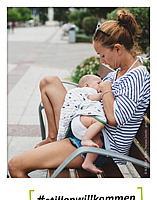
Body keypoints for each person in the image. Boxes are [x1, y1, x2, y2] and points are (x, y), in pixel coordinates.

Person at [8, 9, 150, 178]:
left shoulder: (138, 76)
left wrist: (105, 88)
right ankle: (54, 139)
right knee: (49, 81)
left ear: (118, 49)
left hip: (98, 146)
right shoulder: (117, 72)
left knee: (15, 166)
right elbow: (98, 95)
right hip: (85, 126)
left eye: (102, 55)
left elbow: (113, 119)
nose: (102, 61)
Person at [57, 74, 107, 174]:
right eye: (98, 83)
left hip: (84, 127)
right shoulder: (87, 91)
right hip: (81, 122)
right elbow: (91, 98)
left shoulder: (89, 89)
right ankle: (86, 139)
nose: (101, 85)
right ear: (86, 85)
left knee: (98, 143)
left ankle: (88, 162)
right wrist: (104, 94)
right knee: (99, 122)